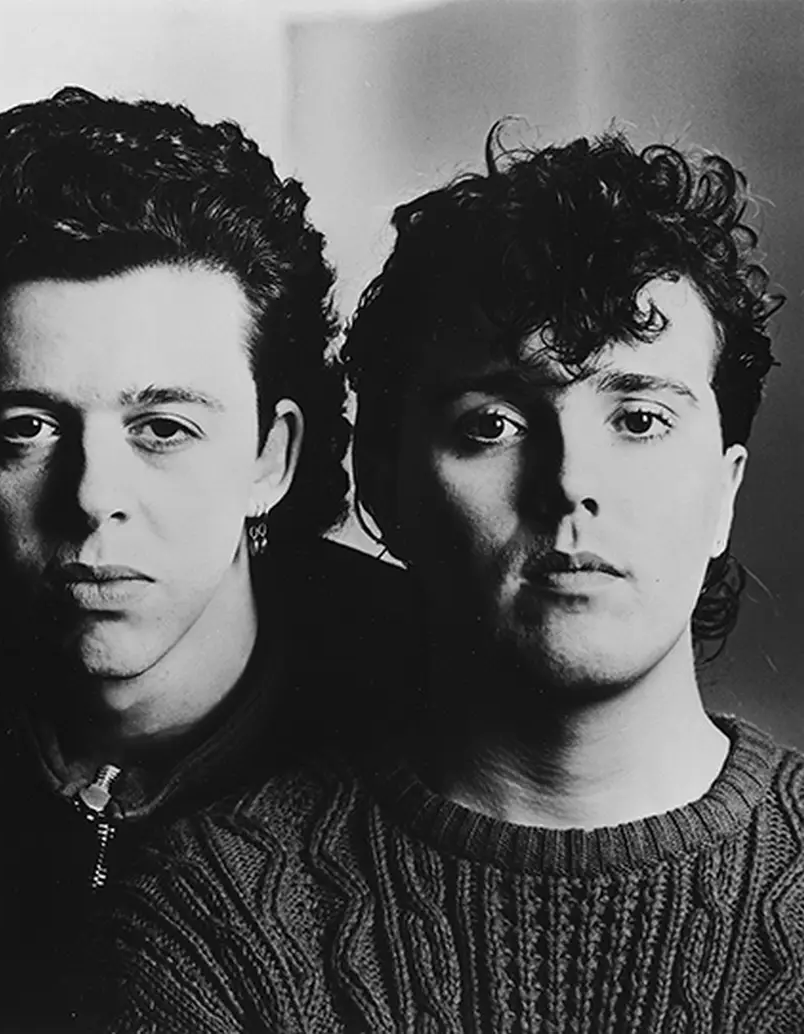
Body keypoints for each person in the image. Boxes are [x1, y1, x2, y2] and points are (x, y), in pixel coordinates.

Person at [88, 129, 804, 1032]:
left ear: (725, 495)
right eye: (492, 424)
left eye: (641, 419)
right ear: (384, 489)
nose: (571, 482)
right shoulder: (213, 916)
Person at [0, 86, 409, 1032]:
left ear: (270, 457)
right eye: (27, 427)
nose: (91, 497)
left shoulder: (431, 687)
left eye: (163, 428)